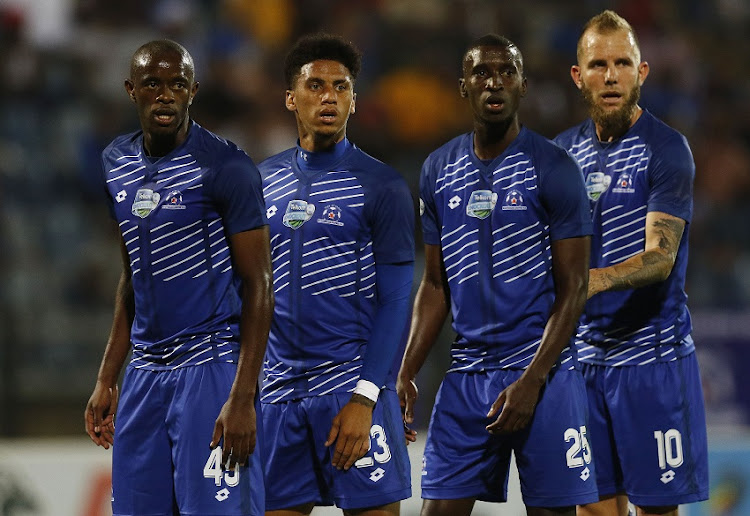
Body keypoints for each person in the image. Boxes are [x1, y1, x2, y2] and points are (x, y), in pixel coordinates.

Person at [397, 34, 597, 516]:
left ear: (523, 85)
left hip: (544, 377)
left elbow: (575, 287)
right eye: (482, 73)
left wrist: (532, 380)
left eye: (506, 72)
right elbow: (435, 285)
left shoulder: (554, 168)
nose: (495, 82)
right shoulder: (437, 169)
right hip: (467, 377)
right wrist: (404, 371)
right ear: (462, 87)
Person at [84, 40, 273, 516]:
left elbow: (259, 285)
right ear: (132, 91)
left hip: (209, 370)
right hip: (144, 374)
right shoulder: (115, 163)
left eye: (177, 85)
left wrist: (244, 396)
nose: (165, 95)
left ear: (194, 91)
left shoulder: (227, 167)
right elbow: (133, 278)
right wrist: (108, 377)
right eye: (152, 84)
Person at [553, 10, 709, 516]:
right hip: (583, 366)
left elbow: (661, 258)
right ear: (579, 76)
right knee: (592, 509)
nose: (612, 75)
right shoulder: (560, 156)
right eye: (599, 64)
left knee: (656, 511)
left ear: (643, 72)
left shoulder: (666, 150)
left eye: (624, 63)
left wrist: (588, 282)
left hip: (653, 366)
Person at [257, 33, 414, 516]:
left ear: (353, 100)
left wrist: (366, 398)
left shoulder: (382, 186)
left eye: (341, 87)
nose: (329, 96)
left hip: (349, 387)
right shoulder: (259, 181)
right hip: (278, 395)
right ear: (290, 98)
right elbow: (246, 293)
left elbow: (395, 300)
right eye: (316, 85)